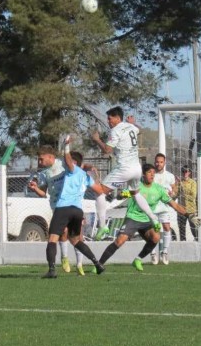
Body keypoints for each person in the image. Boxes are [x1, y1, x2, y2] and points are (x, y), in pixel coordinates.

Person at [96, 163, 200, 273]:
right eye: (149, 172)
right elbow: (120, 195)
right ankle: (99, 264)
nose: (152, 175)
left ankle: (138, 259)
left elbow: (175, 205)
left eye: (153, 173)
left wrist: (189, 215)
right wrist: (122, 194)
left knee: (156, 237)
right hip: (133, 217)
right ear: (143, 175)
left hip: (147, 220)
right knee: (119, 241)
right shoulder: (136, 187)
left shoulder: (159, 190)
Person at [39, 136, 104, 278]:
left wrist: (66, 146)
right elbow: (99, 191)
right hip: (78, 210)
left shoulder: (71, 170)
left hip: (63, 207)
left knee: (52, 239)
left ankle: (51, 271)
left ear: (73, 163)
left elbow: (68, 161)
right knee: (75, 240)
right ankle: (97, 264)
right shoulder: (85, 176)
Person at [90, 107, 159, 240]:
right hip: (137, 169)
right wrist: (132, 123)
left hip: (124, 169)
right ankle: (153, 217)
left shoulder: (115, 130)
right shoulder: (130, 126)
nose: (108, 121)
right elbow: (141, 130)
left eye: (110, 118)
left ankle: (103, 225)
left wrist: (97, 139)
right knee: (135, 193)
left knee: (99, 191)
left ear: (117, 118)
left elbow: (107, 150)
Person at [28, 144, 88, 274]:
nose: (40, 162)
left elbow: (77, 168)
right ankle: (65, 257)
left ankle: (79, 265)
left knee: (78, 236)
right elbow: (43, 193)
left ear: (50, 157)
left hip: (73, 203)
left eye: (41, 159)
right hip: (57, 206)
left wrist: (88, 167)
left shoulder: (63, 164)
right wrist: (35, 188)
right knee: (64, 232)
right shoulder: (44, 174)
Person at [150, 153, 178, 265]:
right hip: (152, 207)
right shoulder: (151, 175)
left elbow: (175, 191)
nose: (159, 164)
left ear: (164, 162)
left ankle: (164, 252)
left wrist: (173, 194)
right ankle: (153, 253)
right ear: (154, 162)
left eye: (161, 162)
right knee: (153, 231)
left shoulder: (170, 176)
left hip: (164, 207)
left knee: (166, 227)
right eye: (157, 162)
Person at [177, 166, 198, 241]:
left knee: (194, 230)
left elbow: (193, 195)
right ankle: (182, 246)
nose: (184, 173)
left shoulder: (193, 182)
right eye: (183, 171)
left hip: (191, 210)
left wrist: (182, 186)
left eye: (186, 171)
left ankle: (197, 242)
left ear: (189, 172)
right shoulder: (180, 182)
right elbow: (176, 194)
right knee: (181, 231)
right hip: (181, 210)